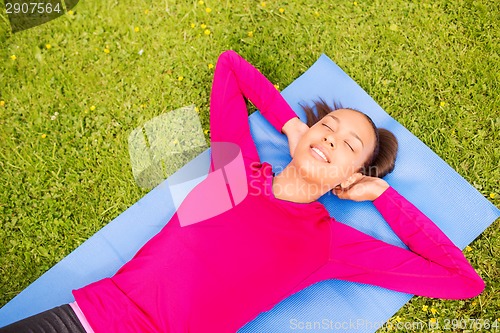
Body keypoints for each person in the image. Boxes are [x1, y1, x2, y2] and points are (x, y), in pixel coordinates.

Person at [0, 50, 485, 333]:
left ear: (349, 178)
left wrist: (382, 196)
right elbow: (230, 66)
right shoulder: (236, 172)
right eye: (329, 127)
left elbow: (462, 282)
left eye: (349, 145)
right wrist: (292, 125)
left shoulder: (329, 245)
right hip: (89, 318)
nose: (331, 137)